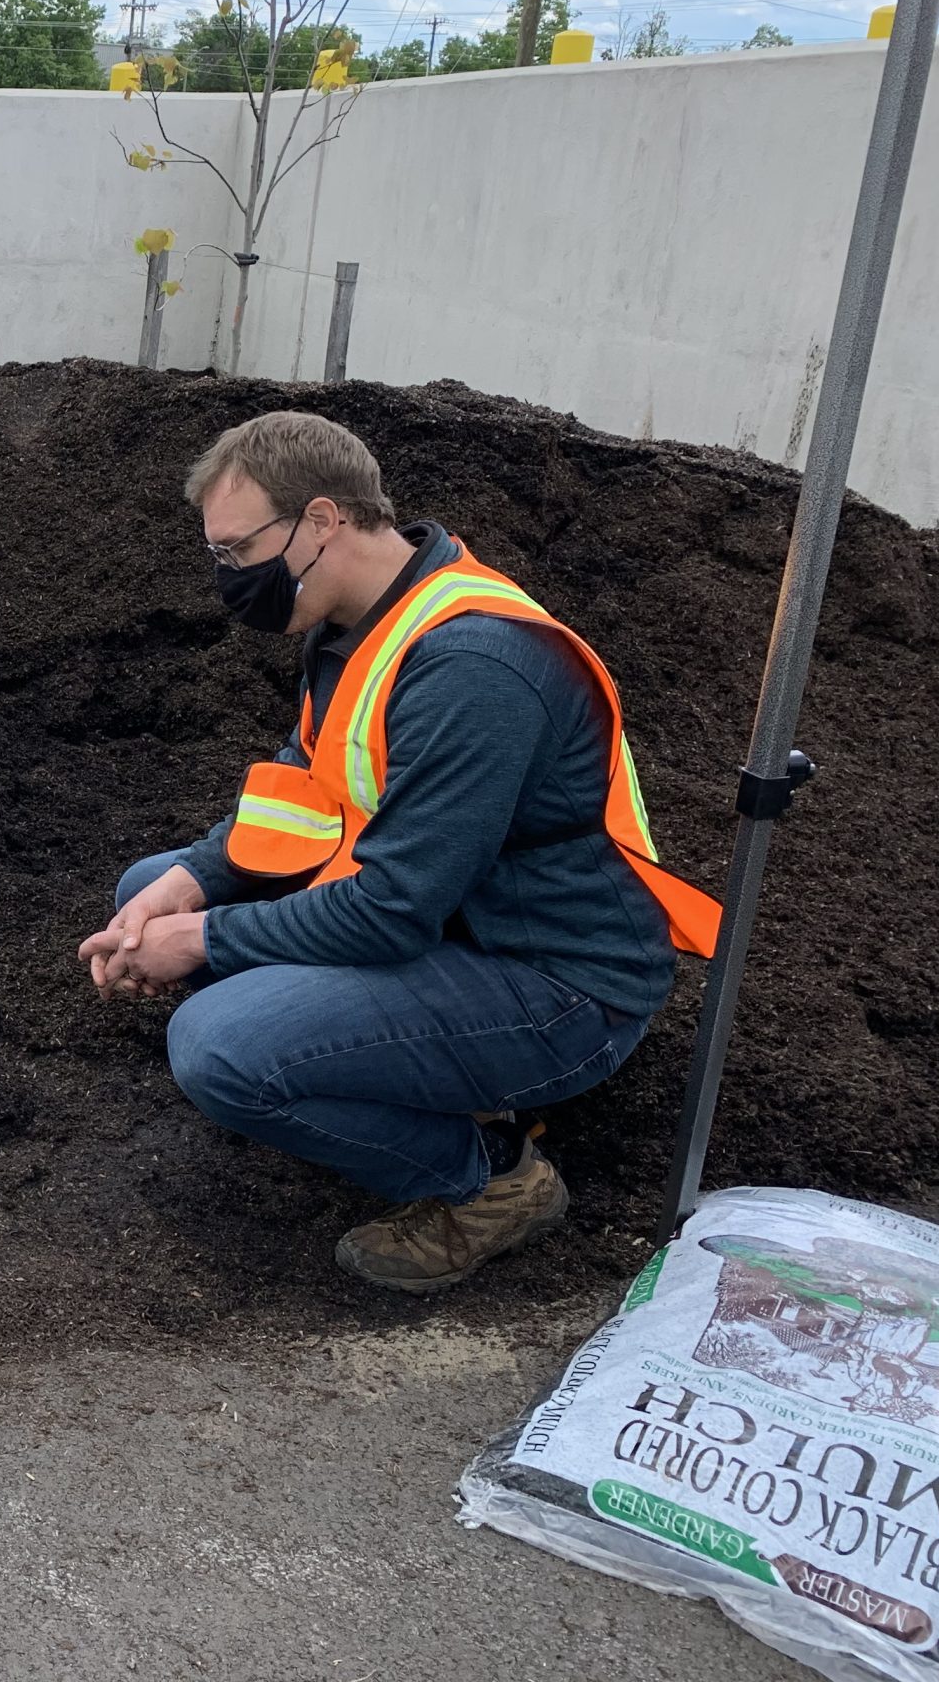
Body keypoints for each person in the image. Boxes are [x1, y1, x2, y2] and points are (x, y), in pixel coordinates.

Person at [80, 412, 718, 1296]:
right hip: (457, 924)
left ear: (320, 521)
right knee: (151, 885)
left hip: (555, 985)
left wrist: (204, 940)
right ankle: (401, 1068)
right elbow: (306, 797)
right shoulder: (357, 617)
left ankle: (491, 1178)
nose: (227, 577)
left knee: (216, 1046)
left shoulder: (472, 666)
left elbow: (391, 908)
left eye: (236, 551)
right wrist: (194, 881)